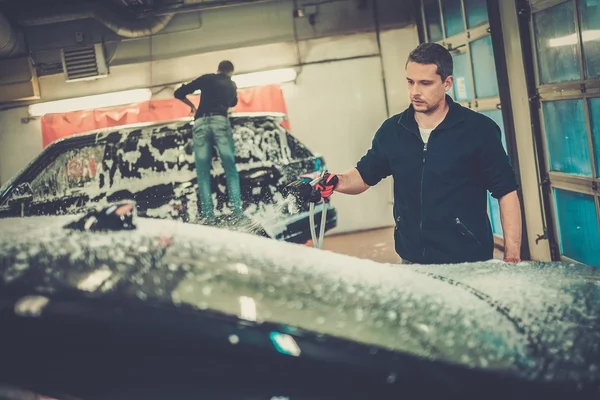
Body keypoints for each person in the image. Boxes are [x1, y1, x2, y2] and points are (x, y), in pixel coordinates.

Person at [314, 43, 523, 265]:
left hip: (469, 259)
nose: (415, 91)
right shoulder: (393, 131)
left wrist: (512, 255)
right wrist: (336, 181)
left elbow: (506, 191)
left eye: (425, 83)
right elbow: (364, 175)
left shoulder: (478, 130)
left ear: (447, 83)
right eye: (410, 82)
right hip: (411, 259)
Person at [174, 60, 243, 224]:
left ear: (218, 69)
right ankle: (237, 213)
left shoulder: (207, 79)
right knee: (230, 169)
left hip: (200, 124)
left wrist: (193, 106)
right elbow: (233, 102)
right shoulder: (231, 84)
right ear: (230, 72)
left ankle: (208, 216)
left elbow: (178, 93)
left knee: (203, 173)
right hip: (220, 122)